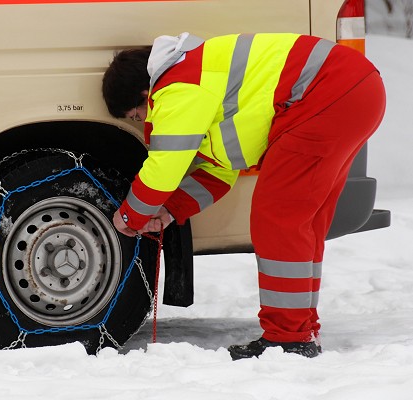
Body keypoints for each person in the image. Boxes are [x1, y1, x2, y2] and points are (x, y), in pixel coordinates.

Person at [101, 32, 385, 360]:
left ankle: (289, 338)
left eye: (136, 116)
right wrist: (169, 210)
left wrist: (129, 216)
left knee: (277, 217)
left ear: (145, 94)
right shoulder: (200, 79)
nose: (142, 122)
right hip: (354, 89)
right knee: (303, 222)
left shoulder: (178, 86)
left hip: (327, 92)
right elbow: (220, 172)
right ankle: (300, 329)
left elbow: (164, 165)